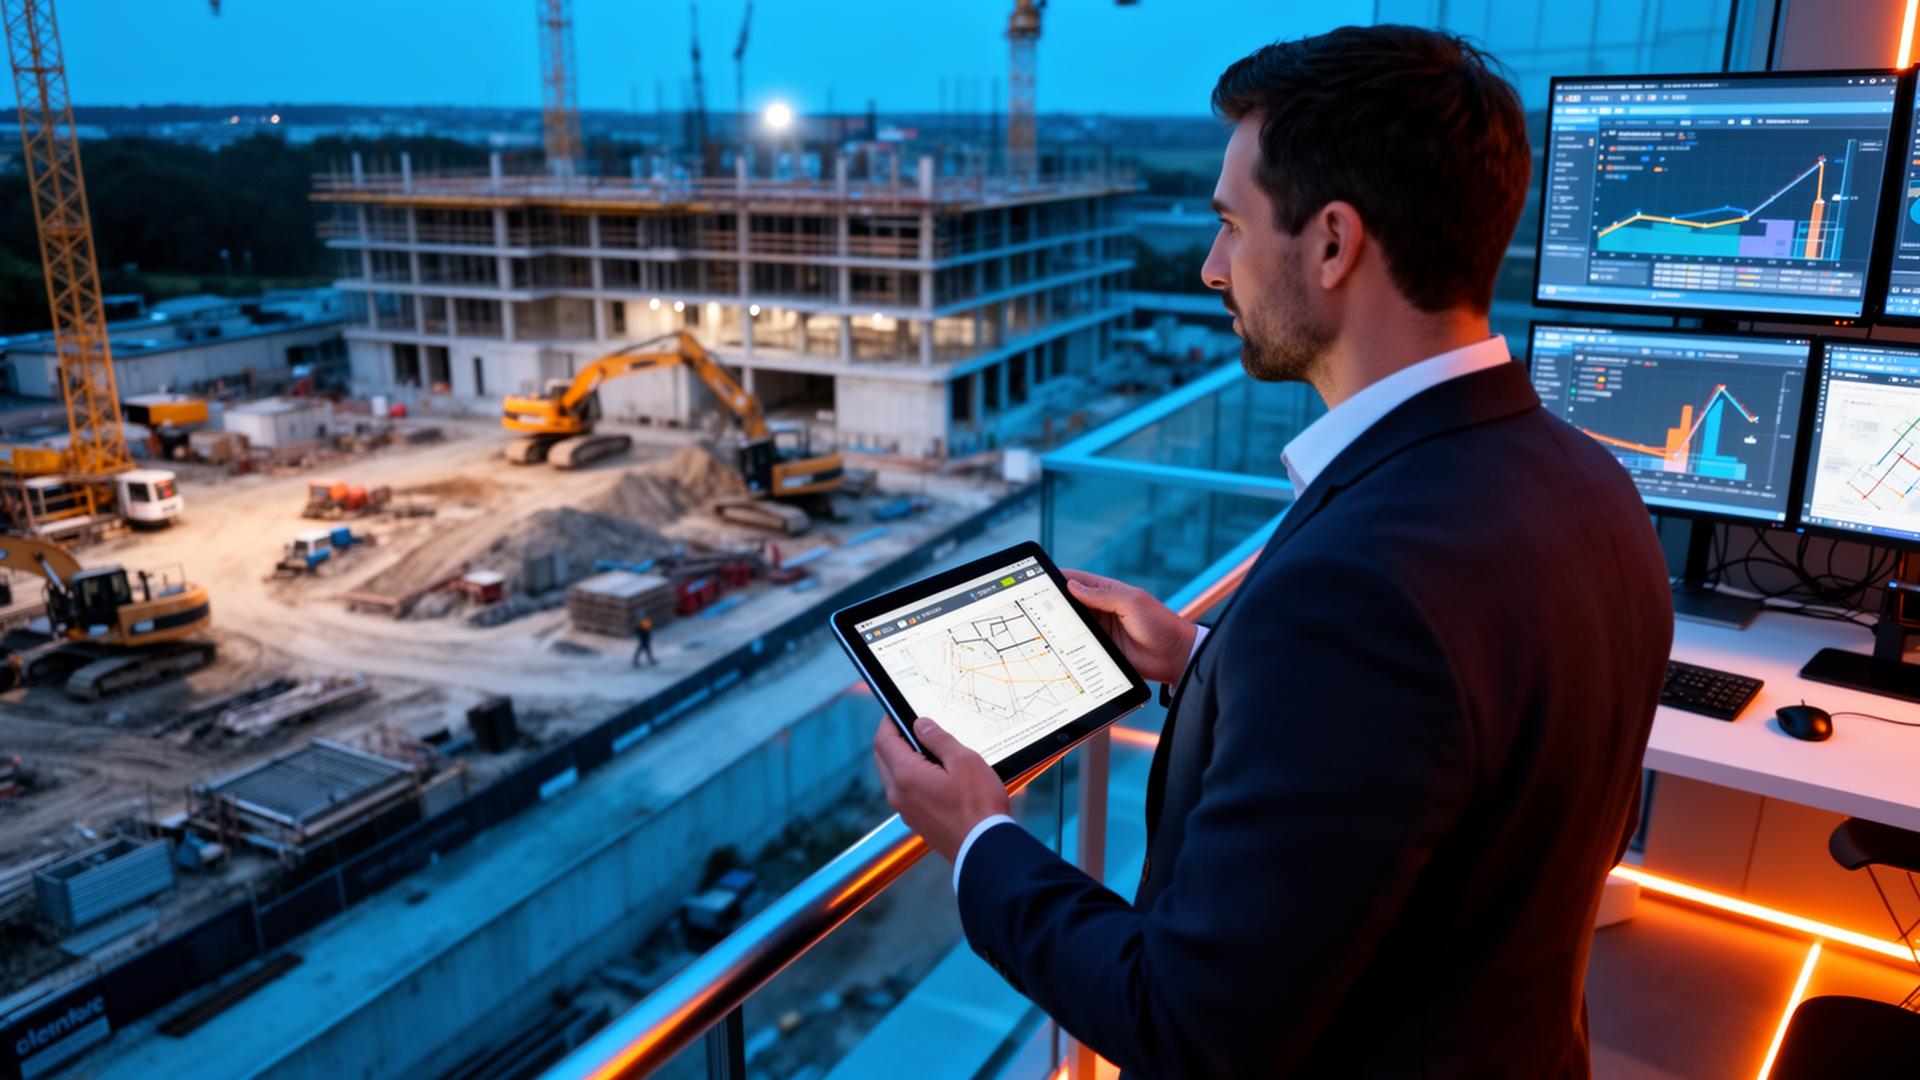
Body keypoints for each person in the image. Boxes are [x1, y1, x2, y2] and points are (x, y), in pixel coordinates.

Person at [871, 25, 1674, 1079]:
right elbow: (1436, 744)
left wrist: (981, 841)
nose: (1210, 269)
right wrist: (1208, 659)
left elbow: (1188, 1021)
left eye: (1230, 226)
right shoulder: (1587, 482)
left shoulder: (1359, 588)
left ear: (1334, 245)